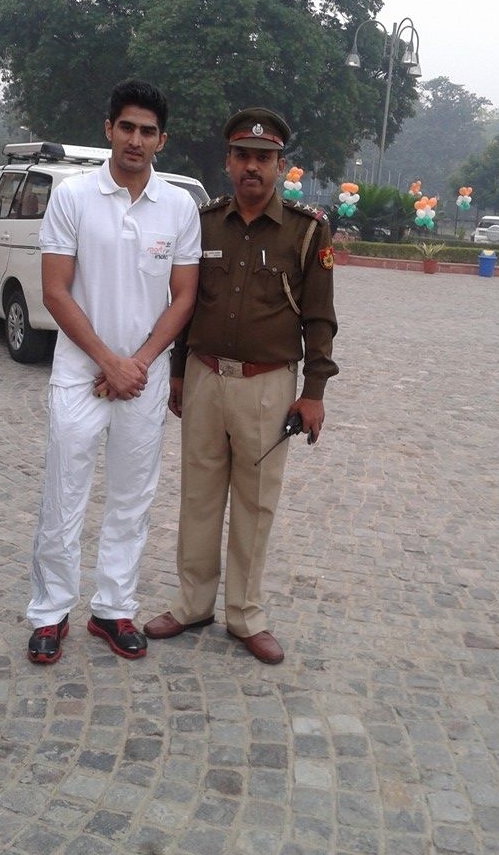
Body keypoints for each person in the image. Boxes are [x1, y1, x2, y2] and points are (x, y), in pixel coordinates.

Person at [144, 107, 338, 664]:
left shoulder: (306, 232)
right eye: (243, 156)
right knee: (199, 496)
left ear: (281, 165)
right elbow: (186, 303)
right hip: (205, 375)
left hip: (267, 386)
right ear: (228, 161)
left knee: (255, 504)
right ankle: (191, 604)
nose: (252, 167)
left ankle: (246, 615)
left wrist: (315, 390)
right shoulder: (202, 223)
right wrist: (179, 371)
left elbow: (320, 318)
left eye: (264, 158)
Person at [26, 79, 201, 664]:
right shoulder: (73, 197)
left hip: (144, 376)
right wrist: (107, 361)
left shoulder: (178, 207)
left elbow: (183, 297)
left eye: (147, 131)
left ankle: (112, 608)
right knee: (64, 490)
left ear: (161, 140)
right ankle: (50, 613)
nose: (135, 139)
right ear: (108, 129)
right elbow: (55, 290)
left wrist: (138, 364)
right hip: (81, 369)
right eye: (126, 126)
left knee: (131, 497)